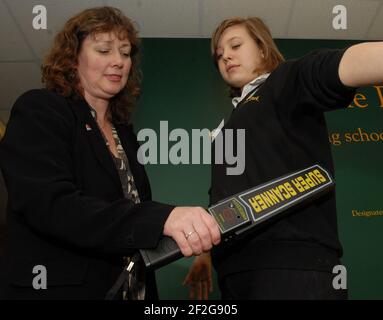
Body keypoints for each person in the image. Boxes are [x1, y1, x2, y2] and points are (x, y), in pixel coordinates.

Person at [0, 6, 221, 300]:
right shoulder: (41, 109)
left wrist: (192, 237)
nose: (118, 61)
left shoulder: (124, 134)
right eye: (104, 50)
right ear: (72, 57)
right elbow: (50, 205)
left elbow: (126, 218)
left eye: (125, 52)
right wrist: (162, 218)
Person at [184, 16, 383, 300]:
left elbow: (342, 66)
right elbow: (224, 195)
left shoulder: (285, 81)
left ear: (263, 49)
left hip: (293, 268)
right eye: (219, 54)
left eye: (235, 45)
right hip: (235, 274)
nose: (225, 55)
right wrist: (205, 252)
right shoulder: (229, 125)